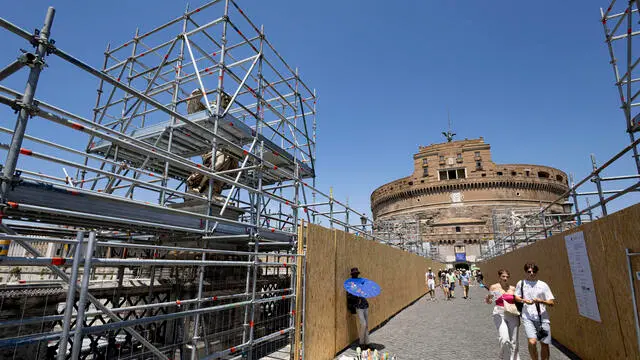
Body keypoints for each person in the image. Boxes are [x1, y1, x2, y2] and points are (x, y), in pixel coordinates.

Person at [515, 262, 555, 360]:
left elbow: (551, 302)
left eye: (534, 271)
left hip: (542, 318)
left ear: (537, 272)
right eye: (529, 271)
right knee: (532, 342)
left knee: (544, 344)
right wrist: (524, 300)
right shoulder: (521, 283)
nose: (532, 273)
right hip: (528, 317)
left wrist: (541, 301)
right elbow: (516, 297)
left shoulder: (543, 285)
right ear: (526, 272)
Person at [485, 269, 521, 360]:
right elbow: (489, 301)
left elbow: (518, 302)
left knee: (514, 341)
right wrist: (488, 298)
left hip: (512, 314)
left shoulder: (512, 288)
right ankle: (504, 357)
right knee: (504, 339)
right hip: (499, 313)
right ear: (499, 277)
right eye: (503, 276)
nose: (505, 278)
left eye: (507, 277)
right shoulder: (494, 287)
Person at [346, 267, 370, 349]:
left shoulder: (360, 282)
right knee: (363, 324)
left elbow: (364, 292)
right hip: (359, 306)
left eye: (356, 274)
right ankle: (361, 343)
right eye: (354, 274)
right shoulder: (350, 284)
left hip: (365, 305)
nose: (356, 275)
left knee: (366, 325)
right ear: (352, 275)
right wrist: (356, 299)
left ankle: (367, 343)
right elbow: (349, 296)